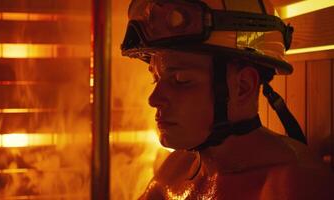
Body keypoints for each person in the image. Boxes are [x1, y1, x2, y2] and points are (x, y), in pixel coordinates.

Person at [121, 0, 334, 199]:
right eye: (155, 78)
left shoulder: (293, 187)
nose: (154, 99)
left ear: (242, 87)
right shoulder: (176, 167)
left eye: (180, 79)